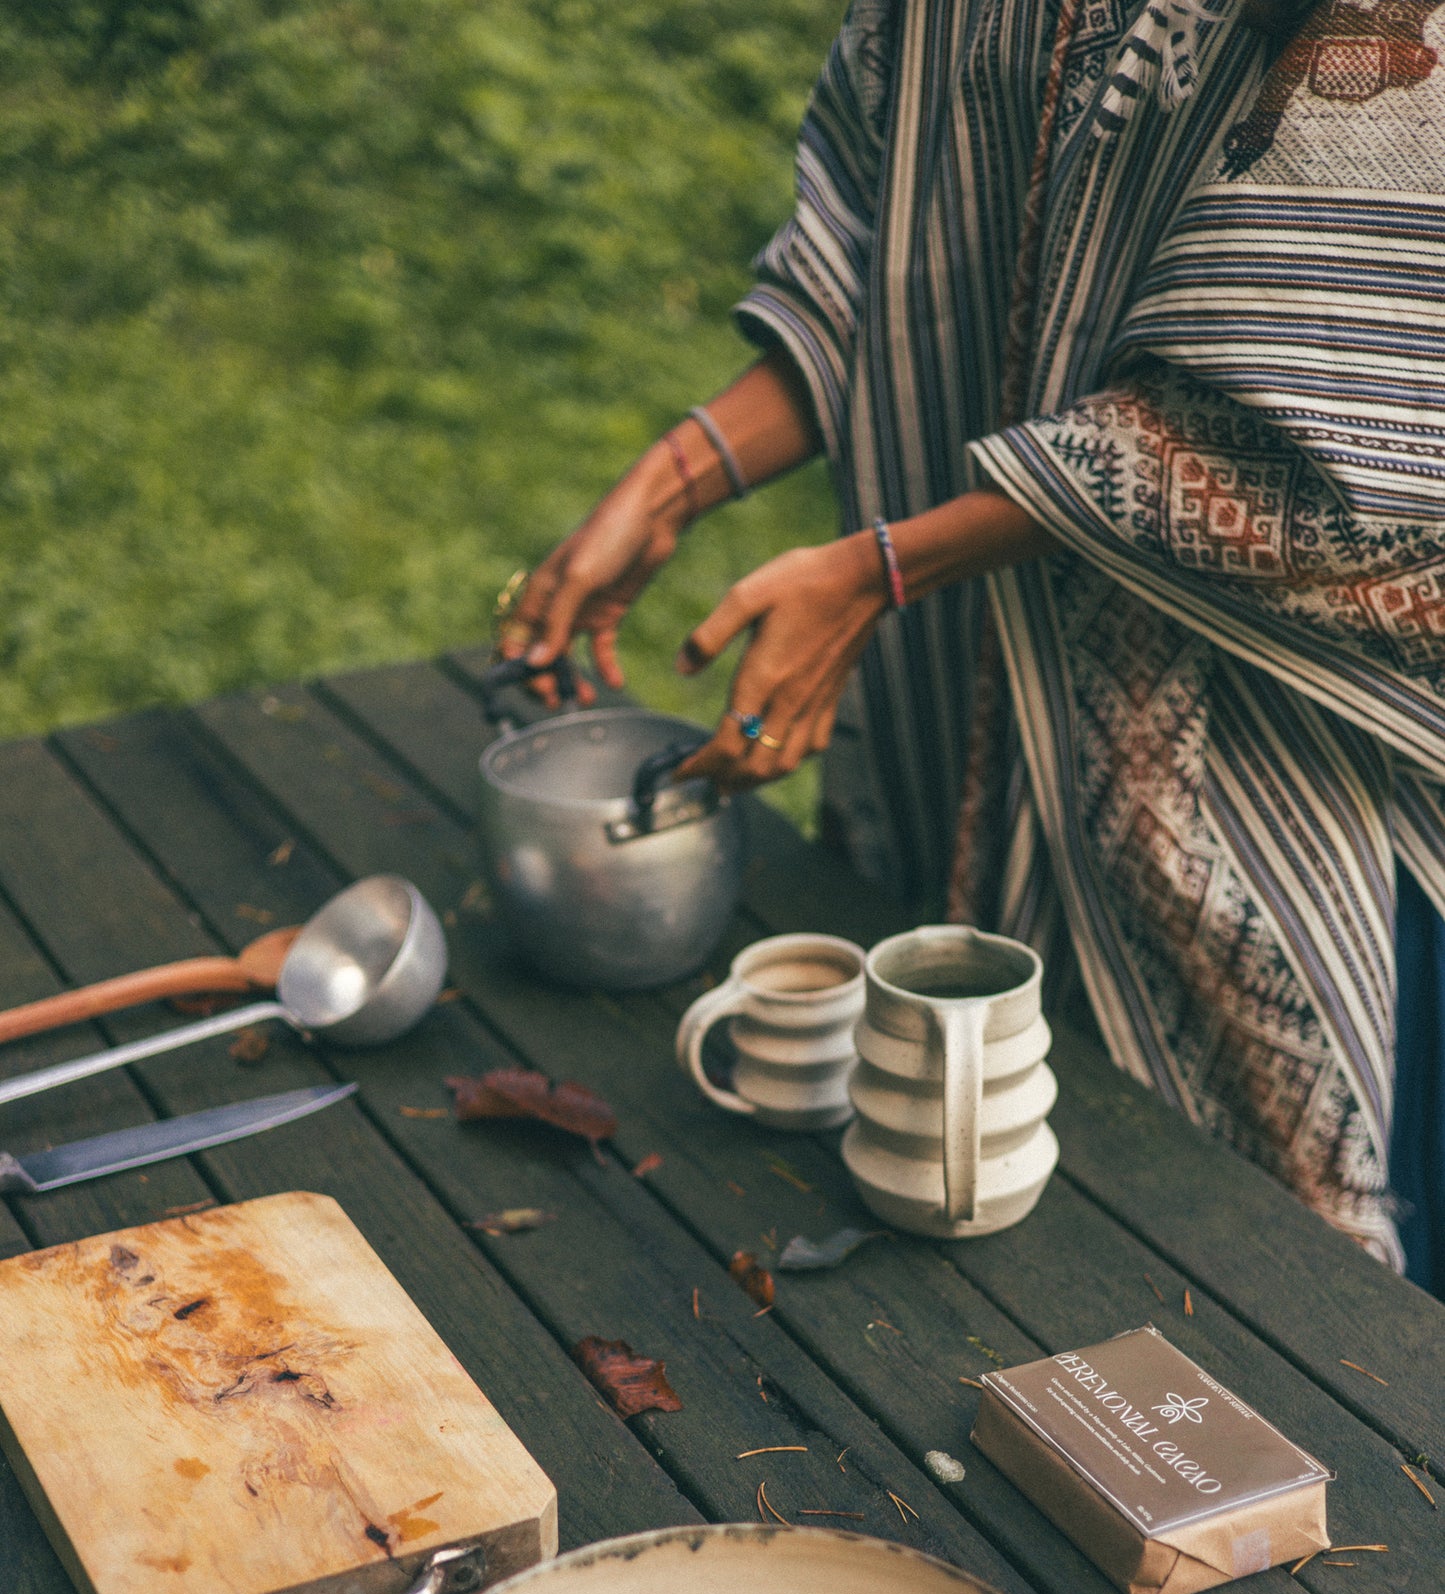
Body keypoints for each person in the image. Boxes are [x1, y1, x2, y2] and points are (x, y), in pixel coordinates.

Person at [500, 0, 1445, 1289]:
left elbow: (1333, 400)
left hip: (1237, 772)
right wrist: (672, 482)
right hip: (942, 722)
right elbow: (880, 259)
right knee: (949, 1266)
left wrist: (881, 570)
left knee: (1261, 1308)